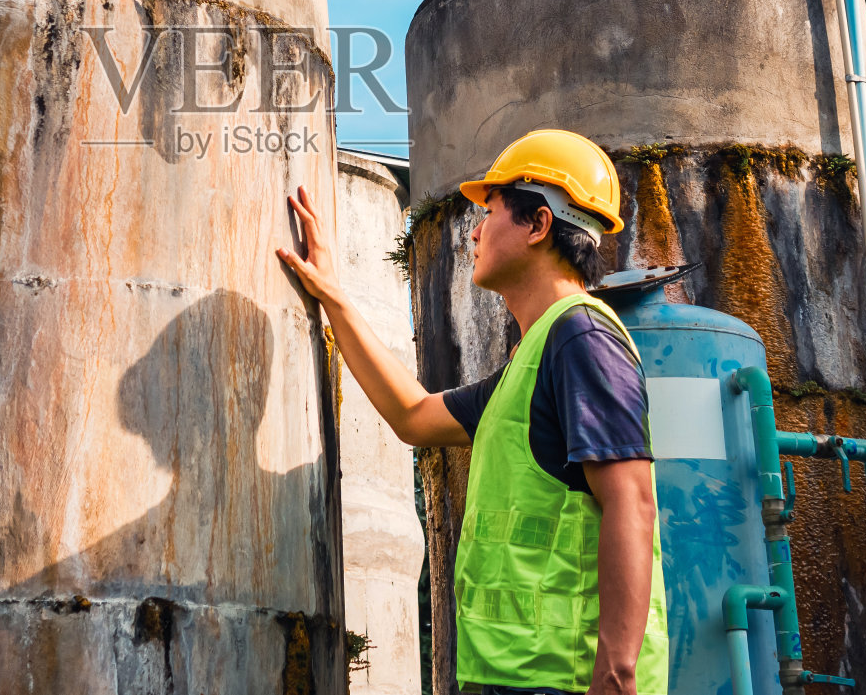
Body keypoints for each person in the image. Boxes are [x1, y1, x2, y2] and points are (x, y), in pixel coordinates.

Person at [277, 128, 668, 695]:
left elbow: (631, 500)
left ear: (538, 224)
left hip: (570, 678)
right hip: (511, 675)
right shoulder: (529, 363)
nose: (475, 233)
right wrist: (335, 295)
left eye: (490, 214)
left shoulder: (581, 337)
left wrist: (615, 671)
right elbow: (412, 415)